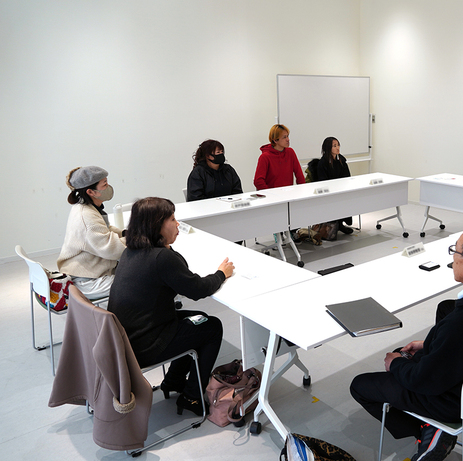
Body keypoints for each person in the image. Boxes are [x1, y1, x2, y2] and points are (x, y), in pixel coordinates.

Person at [350, 228, 463, 461]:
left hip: (450, 402)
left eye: (454, 252)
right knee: (405, 354)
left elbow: (423, 381)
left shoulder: (462, 322)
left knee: (361, 385)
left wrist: (395, 364)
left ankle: (431, 430)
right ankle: (429, 427)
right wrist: (431, 344)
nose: (452, 258)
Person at [108, 197, 234, 416]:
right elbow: (197, 290)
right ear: (156, 225)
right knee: (212, 327)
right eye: (173, 219)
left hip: (127, 339)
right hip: (145, 345)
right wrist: (221, 274)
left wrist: (166, 246)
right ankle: (192, 397)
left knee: (198, 318)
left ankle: (173, 381)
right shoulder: (161, 258)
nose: (178, 224)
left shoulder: (131, 251)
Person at [57, 166, 126, 300]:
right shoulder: (86, 216)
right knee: (141, 282)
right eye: (104, 184)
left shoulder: (85, 207)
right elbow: (111, 249)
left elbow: (104, 229)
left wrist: (124, 233)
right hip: (87, 281)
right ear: (91, 192)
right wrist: (139, 237)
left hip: (90, 271)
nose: (108, 187)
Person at [317, 136, 353, 234]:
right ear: (328, 148)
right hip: (329, 191)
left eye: (338, 145)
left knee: (347, 198)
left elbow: (347, 176)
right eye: (334, 146)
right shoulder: (323, 163)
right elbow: (322, 181)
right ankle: (334, 224)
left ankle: (340, 223)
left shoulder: (341, 160)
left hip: (341, 189)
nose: (338, 148)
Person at [253, 124, 305, 190]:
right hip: (272, 196)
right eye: (284, 137)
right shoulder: (265, 157)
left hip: (288, 194)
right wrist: (269, 194)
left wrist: (302, 190)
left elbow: (299, 175)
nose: (288, 139)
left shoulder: (290, 152)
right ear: (275, 140)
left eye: (287, 136)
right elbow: (258, 181)